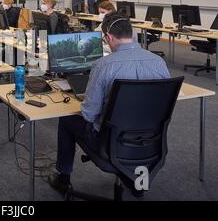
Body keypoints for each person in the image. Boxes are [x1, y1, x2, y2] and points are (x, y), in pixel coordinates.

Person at [48, 12, 170, 196]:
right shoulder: (159, 62)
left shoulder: (104, 65)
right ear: (133, 34)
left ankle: (63, 178)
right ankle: (138, 183)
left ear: (110, 37)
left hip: (110, 145)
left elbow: (89, 114)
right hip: (150, 141)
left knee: (67, 120)